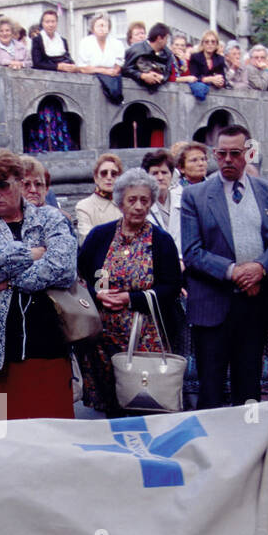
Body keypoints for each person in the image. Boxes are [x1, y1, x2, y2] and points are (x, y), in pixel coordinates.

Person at [0, 149, 77, 420]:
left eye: (3, 185)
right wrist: (32, 253)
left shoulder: (50, 218)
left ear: (20, 183)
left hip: (47, 344)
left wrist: (7, 281)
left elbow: (63, 268)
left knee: (51, 433)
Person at [180, 124, 268, 410]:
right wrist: (234, 272)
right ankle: (210, 450)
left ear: (248, 153)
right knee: (211, 388)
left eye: (235, 153)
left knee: (249, 387)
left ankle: (247, 444)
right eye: (222, 153)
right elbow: (191, 251)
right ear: (215, 154)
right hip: (212, 306)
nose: (228, 160)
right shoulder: (195, 196)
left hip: (254, 305)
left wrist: (260, 268)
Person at [75, 168, 185, 417]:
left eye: (144, 200)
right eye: (132, 199)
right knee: (112, 402)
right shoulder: (99, 236)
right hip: (102, 338)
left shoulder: (161, 240)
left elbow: (171, 287)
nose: (138, 206)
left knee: (141, 401)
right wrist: (97, 295)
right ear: (121, 201)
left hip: (146, 338)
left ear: (151, 203)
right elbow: (82, 276)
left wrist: (130, 299)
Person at [75, 153, 124, 242]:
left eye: (114, 174)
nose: (109, 177)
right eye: (104, 173)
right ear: (96, 178)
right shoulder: (84, 207)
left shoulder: (127, 205)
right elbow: (86, 240)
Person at [123, 21, 172, 89]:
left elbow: (169, 72)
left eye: (142, 33)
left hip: (159, 93)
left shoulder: (167, 53)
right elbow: (124, 69)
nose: (167, 42)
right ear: (159, 38)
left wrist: (161, 77)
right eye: (166, 38)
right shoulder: (135, 50)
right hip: (133, 92)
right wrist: (142, 76)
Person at [142, 149, 177, 238]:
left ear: (171, 175)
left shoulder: (182, 200)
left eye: (164, 172)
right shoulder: (141, 205)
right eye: (155, 173)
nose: (160, 177)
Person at [184, 29, 227, 100]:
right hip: (196, 95)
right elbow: (194, 77)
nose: (210, 44)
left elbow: (223, 80)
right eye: (207, 42)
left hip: (215, 96)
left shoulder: (220, 59)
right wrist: (211, 79)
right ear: (202, 44)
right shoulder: (195, 57)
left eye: (213, 42)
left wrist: (220, 83)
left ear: (216, 44)